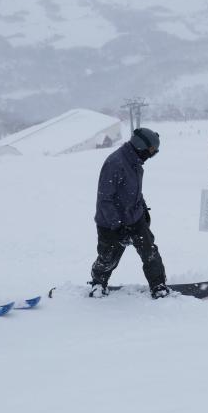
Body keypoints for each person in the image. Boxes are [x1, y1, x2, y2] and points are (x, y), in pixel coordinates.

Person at [89, 127, 169, 299]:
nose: (150, 156)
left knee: (150, 252)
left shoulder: (135, 163)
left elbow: (134, 191)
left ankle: (158, 285)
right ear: (141, 146)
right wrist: (117, 226)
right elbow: (105, 199)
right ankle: (98, 283)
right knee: (108, 257)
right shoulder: (115, 163)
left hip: (134, 218)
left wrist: (143, 209)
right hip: (110, 223)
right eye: (151, 152)